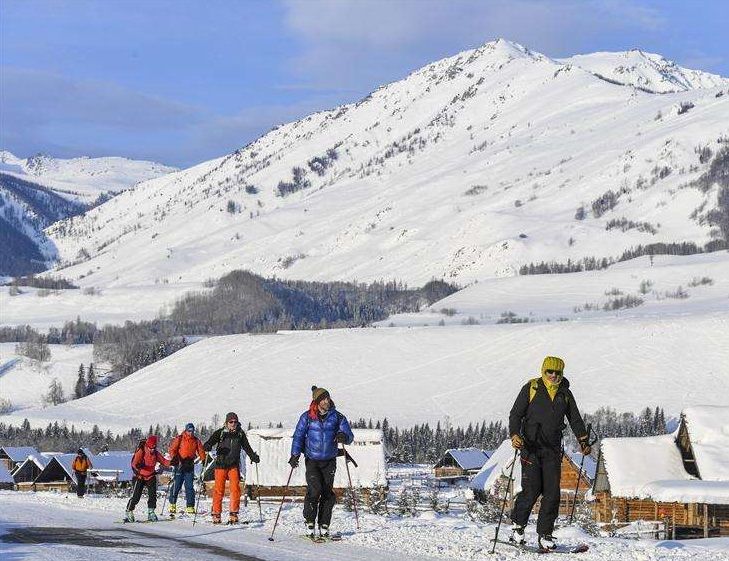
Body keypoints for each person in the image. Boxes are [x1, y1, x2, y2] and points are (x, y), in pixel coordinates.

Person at [508, 356, 591, 551]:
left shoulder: (565, 393)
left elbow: (575, 419)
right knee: (531, 490)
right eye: (549, 372)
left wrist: (583, 441)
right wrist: (514, 435)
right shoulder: (531, 388)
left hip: (553, 449)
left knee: (552, 493)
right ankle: (517, 528)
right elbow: (515, 414)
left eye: (557, 372)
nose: (553, 376)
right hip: (531, 448)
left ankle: (545, 535)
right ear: (543, 371)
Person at [289, 385, 354, 540]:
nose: (326, 401)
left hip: (329, 460)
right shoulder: (307, 417)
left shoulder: (338, 417)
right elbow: (298, 436)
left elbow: (350, 436)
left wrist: (344, 437)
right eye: (323, 399)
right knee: (314, 490)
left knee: (327, 493)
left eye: (327, 398)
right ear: (317, 401)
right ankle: (310, 522)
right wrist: (294, 455)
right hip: (312, 459)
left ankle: (324, 525)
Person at [203, 412, 260, 525]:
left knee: (235, 490)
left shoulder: (240, 434)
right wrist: (208, 446)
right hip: (220, 465)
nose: (233, 424)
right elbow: (209, 443)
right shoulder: (220, 433)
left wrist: (253, 456)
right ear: (226, 423)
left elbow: (246, 447)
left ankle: (233, 514)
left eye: (235, 422)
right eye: (231, 422)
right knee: (219, 490)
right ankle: (216, 514)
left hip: (233, 465)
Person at [125, 435, 171, 522]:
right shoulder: (141, 451)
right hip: (139, 476)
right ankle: (129, 511)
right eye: (150, 448)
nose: (152, 450)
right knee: (136, 497)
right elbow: (134, 464)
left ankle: (151, 512)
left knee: (152, 496)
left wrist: (174, 462)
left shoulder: (156, 453)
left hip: (150, 476)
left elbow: (164, 461)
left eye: (153, 448)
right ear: (147, 445)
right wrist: (139, 468)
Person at [167, 422, 206, 517]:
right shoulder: (179, 438)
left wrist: (204, 459)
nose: (191, 433)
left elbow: (201, 450)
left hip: (189, 465)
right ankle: (172, 504)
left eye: (192, 431)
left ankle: (190, 506)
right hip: (180, 465)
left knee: (189, 487)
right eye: (189, 431)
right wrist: (175, 458)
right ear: (186, 430)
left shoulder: (196, 440)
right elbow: (172, 449)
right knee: (177, 485)